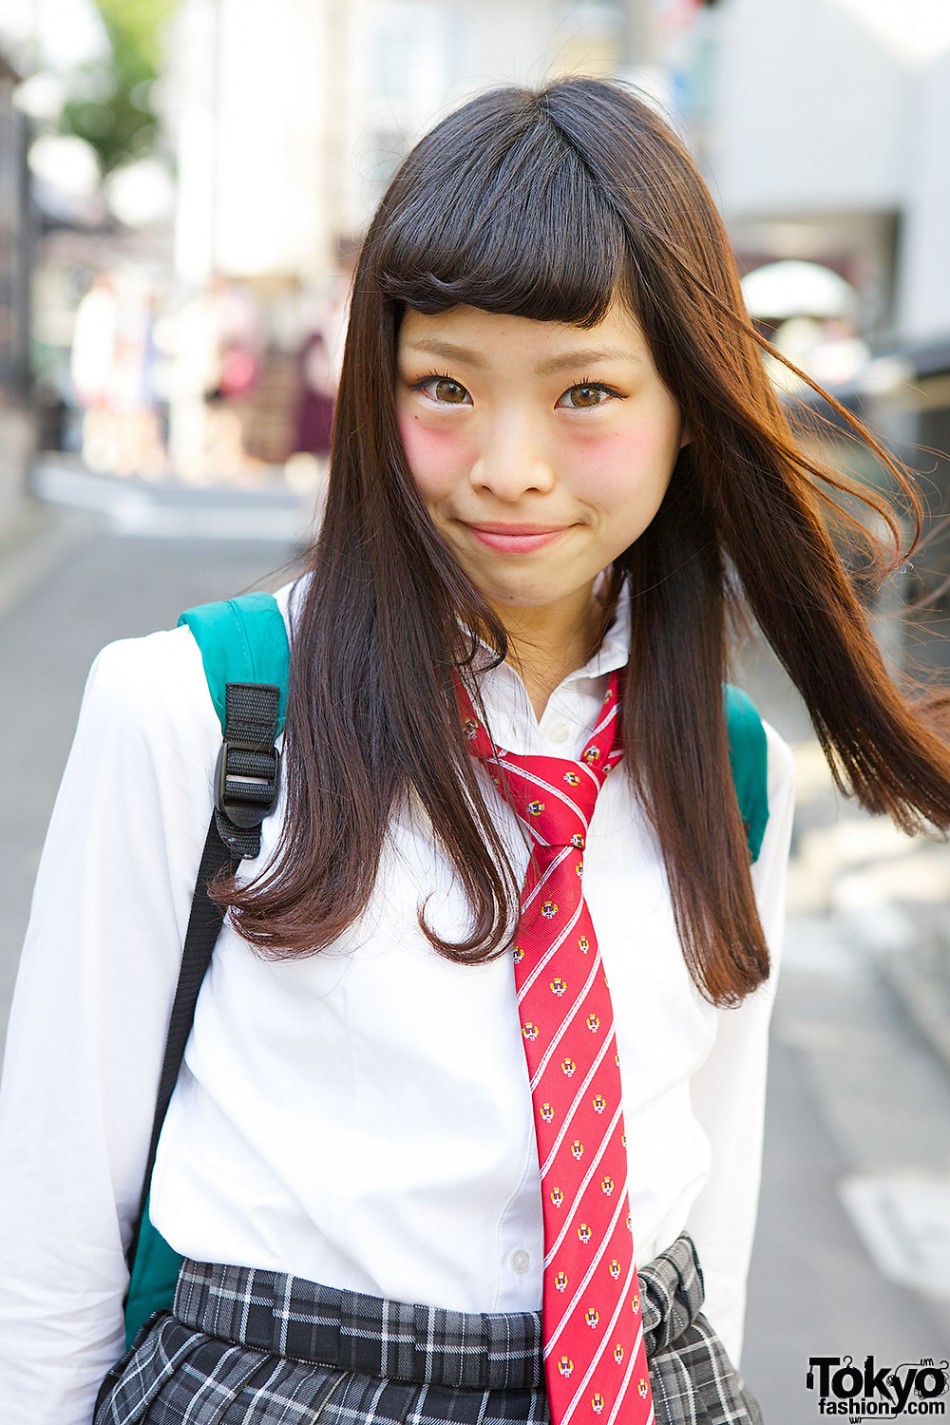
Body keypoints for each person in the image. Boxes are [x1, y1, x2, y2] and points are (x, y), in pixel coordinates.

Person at [1, 77, 949, 1425]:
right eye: (443, 385)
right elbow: (49, 1206)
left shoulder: (733, 771)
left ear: (689, 404)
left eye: (586, 393)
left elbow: (704, 1190)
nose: (506, 464)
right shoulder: (196, 710)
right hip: (280, 1384)